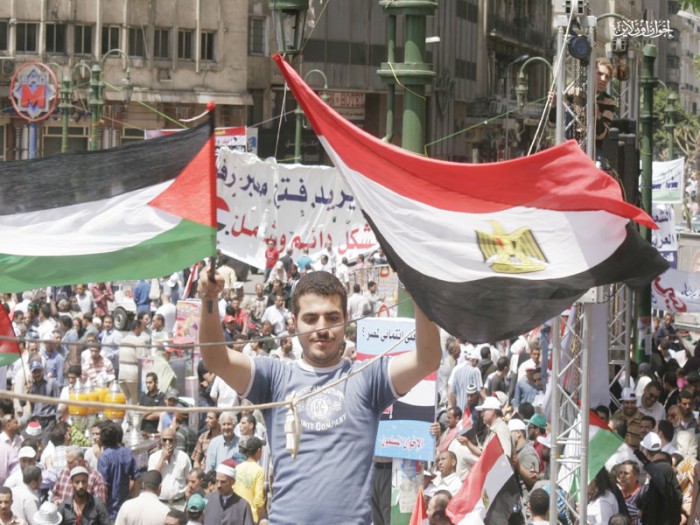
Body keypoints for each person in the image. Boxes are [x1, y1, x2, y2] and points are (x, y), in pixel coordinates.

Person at [198, 269, 440, 524]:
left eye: (332, 318)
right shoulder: (274, 377)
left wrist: (419, 295)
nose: (322, 328)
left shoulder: (369, 378)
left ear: (346, 319)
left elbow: (427, 359)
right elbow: (216, 359)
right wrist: (209, 299)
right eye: (311, 319)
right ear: (294, 322)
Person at [96, 421, 139, 520]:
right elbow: (137, 479)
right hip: (125, 508)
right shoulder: (127, 452)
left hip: (109, 511)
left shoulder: (104, 457)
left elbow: (103, 486)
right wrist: (136, 501)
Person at [147, 428, 192, 508]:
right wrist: (162, 459)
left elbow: (189, 479)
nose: (167, 443)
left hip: (180, 504)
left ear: (175, 441)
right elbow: (151, 479)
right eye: (164, 440)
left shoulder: (183, 457)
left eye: (170, 440)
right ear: (160, 441)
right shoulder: (153, 457)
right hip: (160, 504)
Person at [203, 460, 253, 525]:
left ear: (233, 482)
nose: (219, 485)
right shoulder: (207, 500)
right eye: (217, 481)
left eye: (223, 482)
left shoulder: (243, 506)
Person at [232, 437, 265, 523]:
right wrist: (263, 517)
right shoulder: (259, 470)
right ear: (259, 451)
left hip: (236, 513)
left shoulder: (237, 467)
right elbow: (258, 501)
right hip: (250, 517)